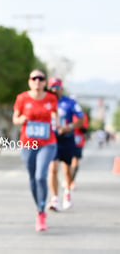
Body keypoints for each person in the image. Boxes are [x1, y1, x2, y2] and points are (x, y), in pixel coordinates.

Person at [12, 69, 58, 231]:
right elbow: (15, 119)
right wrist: (22, 119)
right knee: (32, 177)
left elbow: (56, 116)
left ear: (45, 82)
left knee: (40, 176)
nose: (38, 81)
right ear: (29, 81)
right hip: (28, 144)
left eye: (41, 78)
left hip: (48, 142)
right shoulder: (22, 98)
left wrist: (57, 123)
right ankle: (39, 206)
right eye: (34, 78)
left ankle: (41, 212)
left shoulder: (51, 98)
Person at [47, 77, 83, 211]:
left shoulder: (70, 102)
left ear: (61, 88)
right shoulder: (45, 101)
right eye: (52, 87)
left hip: (66, 138)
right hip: (51, 139)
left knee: (66, 170)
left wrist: (69, 127)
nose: (54, 90)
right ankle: (54, 199)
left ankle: (67, 193)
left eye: (57, 87)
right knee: (53, 168)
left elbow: (81, 118)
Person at [70, 112, 89, 190]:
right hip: (66, 139)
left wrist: (78, 125)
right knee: (66, 161)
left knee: (75, 161)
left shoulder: (82, 115)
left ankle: (71, 181)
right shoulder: (63, 111)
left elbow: (85, 129)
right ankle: (68, 179)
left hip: (78, 140)